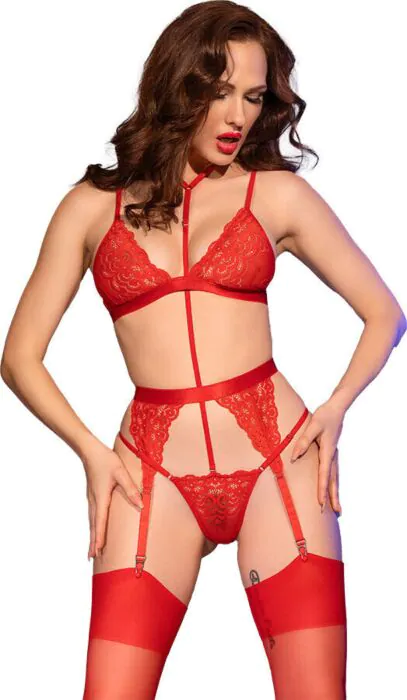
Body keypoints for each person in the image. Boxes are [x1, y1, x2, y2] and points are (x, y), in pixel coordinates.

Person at [1, 2, 405, 698]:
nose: (237, 116)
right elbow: (19, 356)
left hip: (277, 460)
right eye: (220, 92)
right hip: (149, 470)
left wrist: (336, 408)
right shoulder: (90, 207)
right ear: (178, 84)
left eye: (253, 96)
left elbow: (384, 313)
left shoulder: (275, 195)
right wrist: (91, 452)